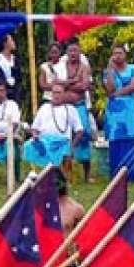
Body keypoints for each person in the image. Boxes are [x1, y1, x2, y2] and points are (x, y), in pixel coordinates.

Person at [102, 43, 134, 181]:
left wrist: (118, 94)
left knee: (131, 138)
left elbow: (133, 86)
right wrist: (109, 69)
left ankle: (132, 174)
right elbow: (110, 89)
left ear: (125, 55)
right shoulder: (108, 71)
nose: (117, 56)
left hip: (130, 110)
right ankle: (116, 174)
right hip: (114, 113)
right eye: (115, 53)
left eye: (120, 53)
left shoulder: (133, 69)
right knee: (116, 139)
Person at [54, 41, 94, 182]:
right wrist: (73, 82)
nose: (73, 54)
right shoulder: (61, 67)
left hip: (80, 106)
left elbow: (84, 86)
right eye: (70, 51)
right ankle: (66, 173)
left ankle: (87, 174)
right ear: (67, 52)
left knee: (83, 136)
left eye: (75, 51)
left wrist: (67, 84)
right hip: (65, 108)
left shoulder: (84, 67)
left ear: (79, 52)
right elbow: (56, 84)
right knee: (66, 136)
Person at [23, 84, 83, 170]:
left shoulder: (71, 109)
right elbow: (35, 128)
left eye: (59, 93)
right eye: (54, 93)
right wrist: (35, 135)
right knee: (28, 145)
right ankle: (39, 173)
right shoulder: (44, 107)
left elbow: (79, 131)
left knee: (54, 149)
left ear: (64, 94)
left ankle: (57, 174)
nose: (56, 95)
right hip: (44, 141)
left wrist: (72, 147)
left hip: (63, 142)